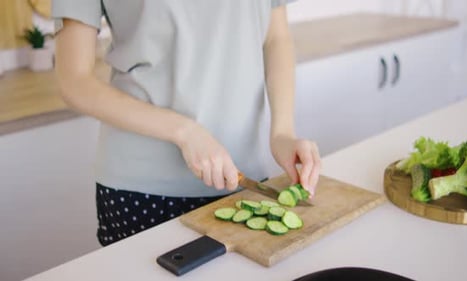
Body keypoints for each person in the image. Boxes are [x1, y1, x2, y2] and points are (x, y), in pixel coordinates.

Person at [52, 0, 321, 246]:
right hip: (142, 190)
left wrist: (283, 133)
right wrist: (184, 131)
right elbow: (74, 81)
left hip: (244, 180)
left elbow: (276, 38)